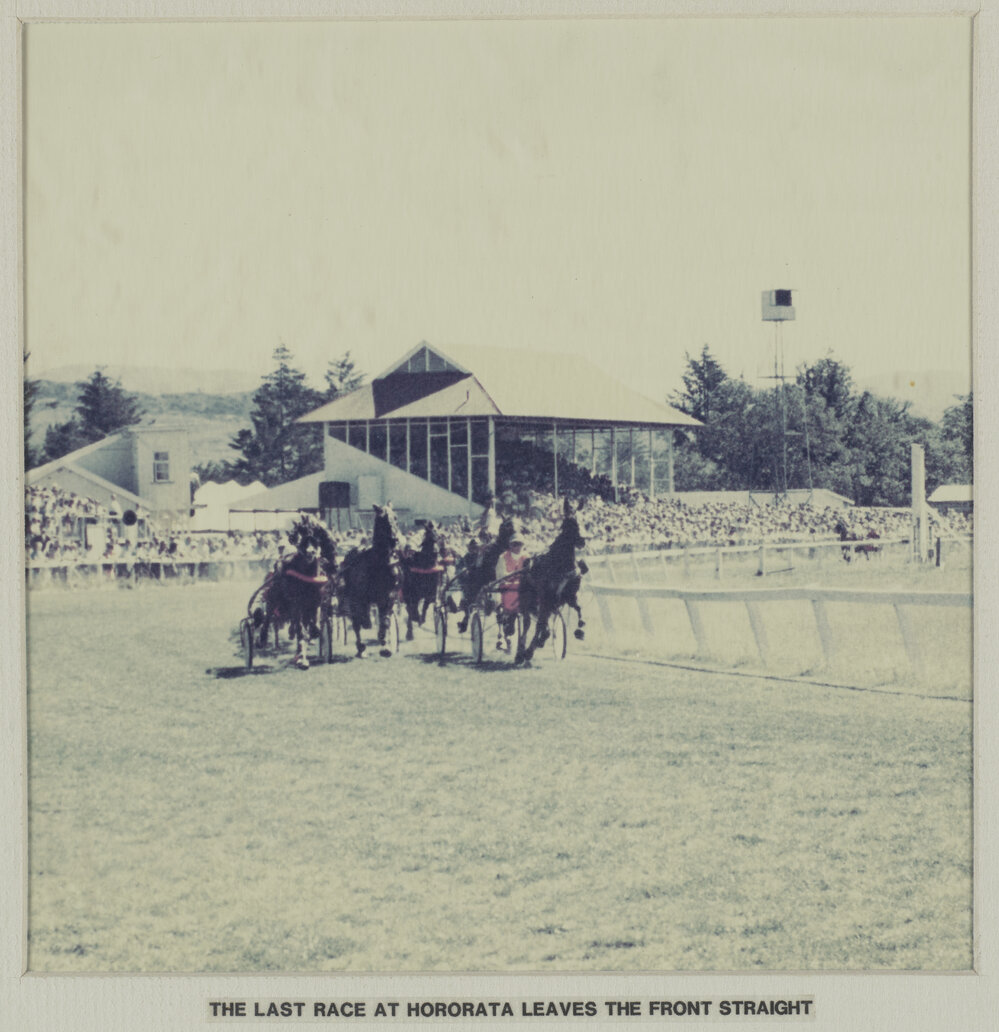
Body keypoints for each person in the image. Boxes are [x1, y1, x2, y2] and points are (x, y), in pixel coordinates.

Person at [494, 528, 528, 650]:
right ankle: (505, 633)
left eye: (519, 544)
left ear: (523, 545)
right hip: (508, 587)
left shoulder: (526, 557)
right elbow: (501, 575)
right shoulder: (503, 557)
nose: (517, 547)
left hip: (523, 587)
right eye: (515, 544)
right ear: (510, 545)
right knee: (507, 601)